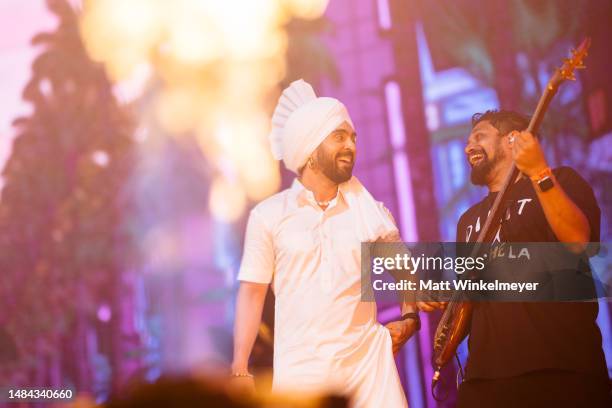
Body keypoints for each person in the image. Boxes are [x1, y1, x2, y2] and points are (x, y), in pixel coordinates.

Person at [231, 79, 418, 407]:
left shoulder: (368, 210)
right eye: (339, 136)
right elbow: (252, 293)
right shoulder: (270, 215)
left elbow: (405, 272)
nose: (351, 146)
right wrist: (240, 369)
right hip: (302, 378)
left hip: (369, 369)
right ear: (310, 150)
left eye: (353, 137)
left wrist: (410, 318)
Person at [443, 109, 610, 407]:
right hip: (485, 381)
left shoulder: (561, 180)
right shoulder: (467, 220)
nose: (468, 146)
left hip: (562, 369)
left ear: (513, 140)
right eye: (468, 140)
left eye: (479, 136)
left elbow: (577, 241)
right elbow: (472, 300)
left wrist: (539, 173)